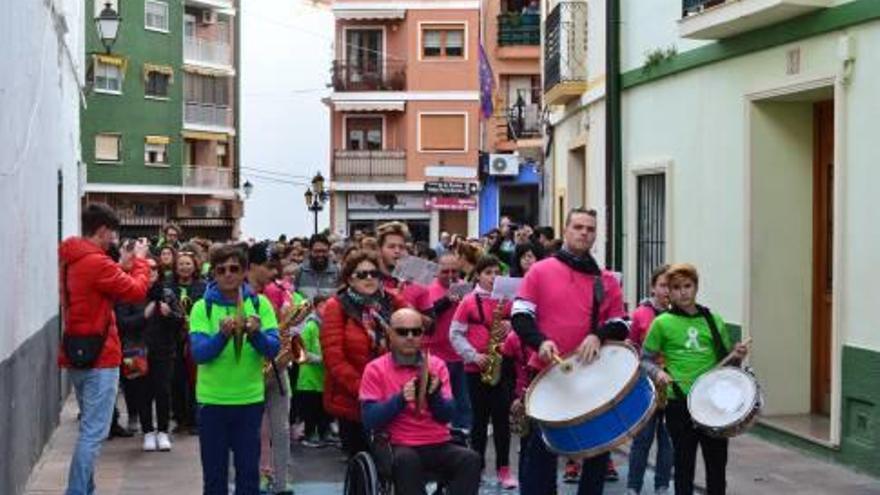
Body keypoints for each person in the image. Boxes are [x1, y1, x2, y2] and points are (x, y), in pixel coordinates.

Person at [511, 208, 627, 495]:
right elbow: (520, 315)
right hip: (548, 373)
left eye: (590, 228)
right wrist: (540, 342)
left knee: (597, 449)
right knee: (542, 449)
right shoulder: (540, 270)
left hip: (592, 376)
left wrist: (598, 335)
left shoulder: (606, 279)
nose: (584, 232)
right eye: (578, 227)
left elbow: (621, 324)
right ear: (565, 230)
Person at [59, 203, 152, 495]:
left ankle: (86, 490)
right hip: (101, 356)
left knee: (89, 429)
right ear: (101, 231)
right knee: (92, 434)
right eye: (112, 235)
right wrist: (138, 262)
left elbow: (100, 281)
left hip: (77, 351)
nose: (114, 240)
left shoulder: (72, 258)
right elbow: (137, 291)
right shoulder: (97, 264)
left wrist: (121, 265)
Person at [642, 263, 748, 495]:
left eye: (688, 286)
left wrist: (738, 357)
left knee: (717, 464)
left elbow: (728, 365)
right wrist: (658, 373)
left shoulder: (713, 320)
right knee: (683, 463)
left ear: (696, 287)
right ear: (669, 291)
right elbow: (645, 360)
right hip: (679, 403)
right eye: (677, 287)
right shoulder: (662, 323)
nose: (683, 292)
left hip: (713, 403)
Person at [188, 244, 281, 495]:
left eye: (234, 268)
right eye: (221, 269)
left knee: (248, 477)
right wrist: (221, 336)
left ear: (244, 272)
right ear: (214, 274)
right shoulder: (201, 308)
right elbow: (199, 354)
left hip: (249, 402)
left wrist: (255, 334)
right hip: (212, 403)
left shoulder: (260, 304)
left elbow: (273, 349)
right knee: (215, 479)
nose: (228, 274)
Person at [360, 308, 482, 495]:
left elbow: (446, 415)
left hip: (438, 441)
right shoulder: (374, 369)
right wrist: (400, 399)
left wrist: (435, 396)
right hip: (398, 444)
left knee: (471, 459)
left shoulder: (437, 365)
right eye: (402, 332)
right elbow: (370, 420)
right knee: (407, 461)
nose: (410, 337)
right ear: (390, 334)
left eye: (416, 332)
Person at [320, 250, 407, 457]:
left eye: (373, 273)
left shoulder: (391, 302)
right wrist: (364, 389)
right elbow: (334, 358)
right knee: (360, 461)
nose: (369, 278)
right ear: (350, 278)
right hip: (353, 400)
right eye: (362, 274)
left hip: (391, 395)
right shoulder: (337, 306)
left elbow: (416, 327)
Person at [450, 255, 518, 489]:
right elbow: (455, 333)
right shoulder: (468, 301)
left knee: (501, 421)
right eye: (487, 273)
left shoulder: (508, 301)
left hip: (502, 366)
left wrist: (512, 326)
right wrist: (473, 355)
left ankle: (504, 469)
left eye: (496, 273)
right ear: (478, 275)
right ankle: (475, 468)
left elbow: (522, 329)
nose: (492, 277)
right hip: (475, 368)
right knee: (478, 422)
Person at [247, 242, 295, 495]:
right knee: (252, 432)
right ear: (252, 267)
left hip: (278, 368)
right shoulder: (242, 296)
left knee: (281, 429)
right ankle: (256, 478)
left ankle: (281, 482)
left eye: (275, 267)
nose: (273, 273)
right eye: (268, 267)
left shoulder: (276, 291)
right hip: (251, 371)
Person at [626, 264, 673, 495]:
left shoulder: (678, 315)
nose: (667, 291)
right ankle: (633, 487)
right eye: (662, 285)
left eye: (670, 286)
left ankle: (662, 486)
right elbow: (632, 347)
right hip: (646, 385)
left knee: (668, 441)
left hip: (672, 386)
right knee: (642, 440)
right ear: (653, 288)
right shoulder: (640, 314)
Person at [139, 257, 186, 452]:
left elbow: (180, 320)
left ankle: (163, 431)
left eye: (153, 270)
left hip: (164, 350)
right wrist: (143, 314)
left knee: (163, 391)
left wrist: (170, 315)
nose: (149, 274)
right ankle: (148, 432)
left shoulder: (167, 294)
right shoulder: (134, 293)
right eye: (145, 270)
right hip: (140, 351)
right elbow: (124, 321)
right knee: (143, 393)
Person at [423, 253, 471, 442]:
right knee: (439, 399)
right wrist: (446, 301)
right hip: (435, 354)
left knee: (463, 402)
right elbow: (426, 316)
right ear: (437, 271)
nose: (450, 275)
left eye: (454, 271)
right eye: (445, 271)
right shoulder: (428, 289)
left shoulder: (465, 288)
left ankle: (462, 436)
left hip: (459, 353)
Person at [170, 250, 206, 436]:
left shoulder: (203, 286)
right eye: (181, 264)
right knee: (176, 380)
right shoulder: (168, 287)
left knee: (195, 380)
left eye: (188, 264)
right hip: (174, 339)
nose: (184, 267)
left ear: (195, 266)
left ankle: (195, 419)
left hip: (196, 338)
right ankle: (180, 418)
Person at [296, 295, 332, 447]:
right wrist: (321, 359)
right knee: (310, 412)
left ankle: (324, 434)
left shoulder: (326, 326)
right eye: (323, 306)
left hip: (322, 379)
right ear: (316, 308)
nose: (326, 310)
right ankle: (308, 436)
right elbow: (300, 351)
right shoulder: (310, 326)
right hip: (309, 380)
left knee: (323, 411)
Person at [376, 222, 433, 316]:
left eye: (401, 247)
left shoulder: (418, 280)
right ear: (379, 249)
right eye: (391, 247)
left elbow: (431, 325)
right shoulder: (369, 278)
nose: (397, 251)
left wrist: (408, 310)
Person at [294, 234, 340, 300]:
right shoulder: (300, 271)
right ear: (310, 251)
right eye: (317, 251)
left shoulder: (337, 271)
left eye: (324, 251)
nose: (320, 255)